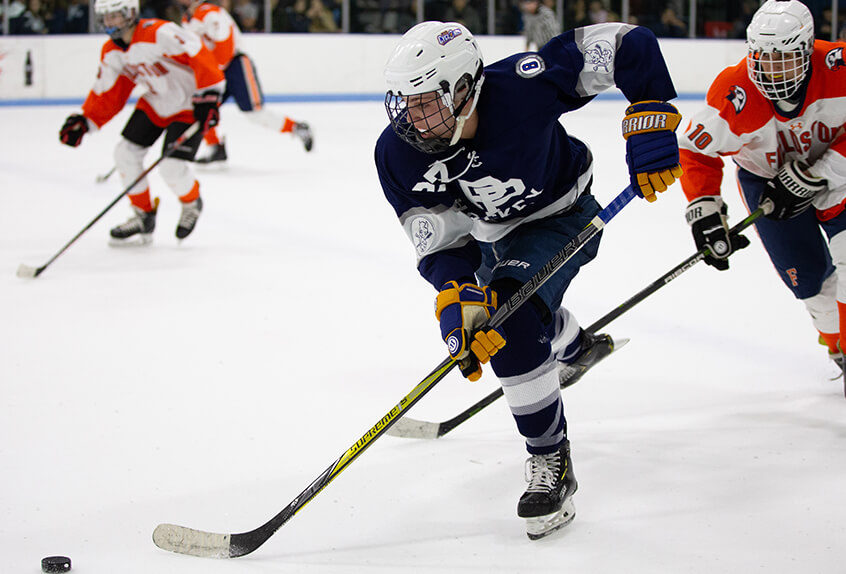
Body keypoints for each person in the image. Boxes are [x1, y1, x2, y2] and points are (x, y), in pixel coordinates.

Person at [375, 21, 682, 538]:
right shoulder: (397, 153)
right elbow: (441, 241)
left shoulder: (523, 85)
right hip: (493, 234)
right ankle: (573, 345)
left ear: (466, 88)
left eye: (427, 101)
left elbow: (628, 43)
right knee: (499, 315)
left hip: (564, 216)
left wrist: (650, 118)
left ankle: (551, 461)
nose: (413, 119)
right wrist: (456, 297)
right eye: (405, 103)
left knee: (511, 321)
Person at [678, 0, 846, 390]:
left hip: (837, 176)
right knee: (808, 284)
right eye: (763, 57)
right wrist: (705, 212)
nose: (773, 68)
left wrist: (818, 174)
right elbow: (694, 149)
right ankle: (835, 343)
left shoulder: (838, 67)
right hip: (767, 184)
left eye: (785, 58)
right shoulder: (734, 92)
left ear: (807, 49)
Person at [59, 0, 225, 244]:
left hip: (191, 104)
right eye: (106, 17)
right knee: (124, 154)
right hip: (156, 102)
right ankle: (143, 215)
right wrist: (86, 120)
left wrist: (209, 95)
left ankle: (191, 203)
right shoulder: (112, 51)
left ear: (131, 13)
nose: (110, 22)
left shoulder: (158, 32)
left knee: (171, 167)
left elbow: (196, 49)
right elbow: (110, 91)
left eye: (116, 15)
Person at [178, 0, 314, 164]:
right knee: (202, 109)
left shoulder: (211, 13)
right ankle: (215, 147)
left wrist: (208, 72)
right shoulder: (186, 19)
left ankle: (297, 128)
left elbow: (225, 51)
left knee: (254, 114)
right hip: (213, 70)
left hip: (236, 66)